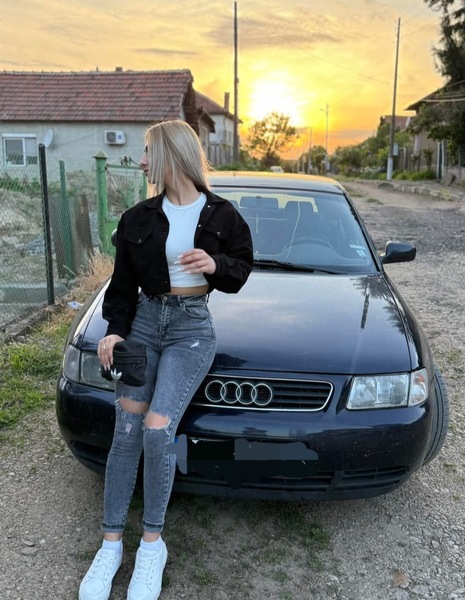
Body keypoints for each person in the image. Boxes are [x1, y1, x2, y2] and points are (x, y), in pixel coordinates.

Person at [79, 119, 253, 600]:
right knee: (126, 432)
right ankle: (110, 546)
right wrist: (115, 331)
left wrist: (215, 265)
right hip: (141, 326)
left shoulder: (222, 215)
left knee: (158, 431)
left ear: (171, 154)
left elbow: (241, 269)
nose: (140, 161)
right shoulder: (137, 218)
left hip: (190, 329)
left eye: (147, 151)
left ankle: (152, 545)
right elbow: (121, 286)